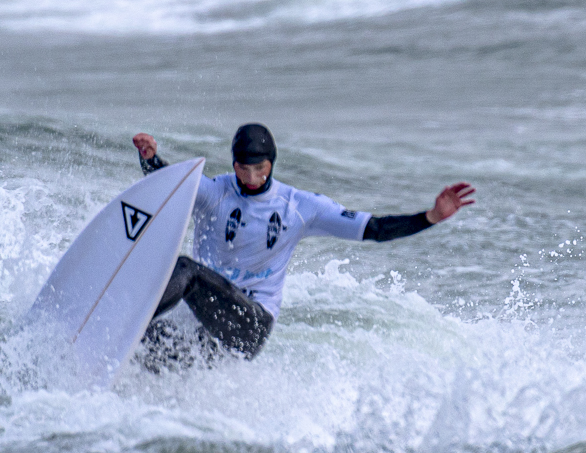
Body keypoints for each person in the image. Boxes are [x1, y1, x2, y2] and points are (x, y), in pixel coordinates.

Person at [132, 122, 473, 361]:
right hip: (205, 329)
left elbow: (374, 228)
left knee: (185, 271)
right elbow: (169, 186)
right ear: (233, 164)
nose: (251, 177)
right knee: (142, 348)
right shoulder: (213, 192)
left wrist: (430, 217)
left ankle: (127, 320)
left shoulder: (300, 207)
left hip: (250, 326)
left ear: (272, 163)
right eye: (243, 168)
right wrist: (150, 159)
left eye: (260, 168)